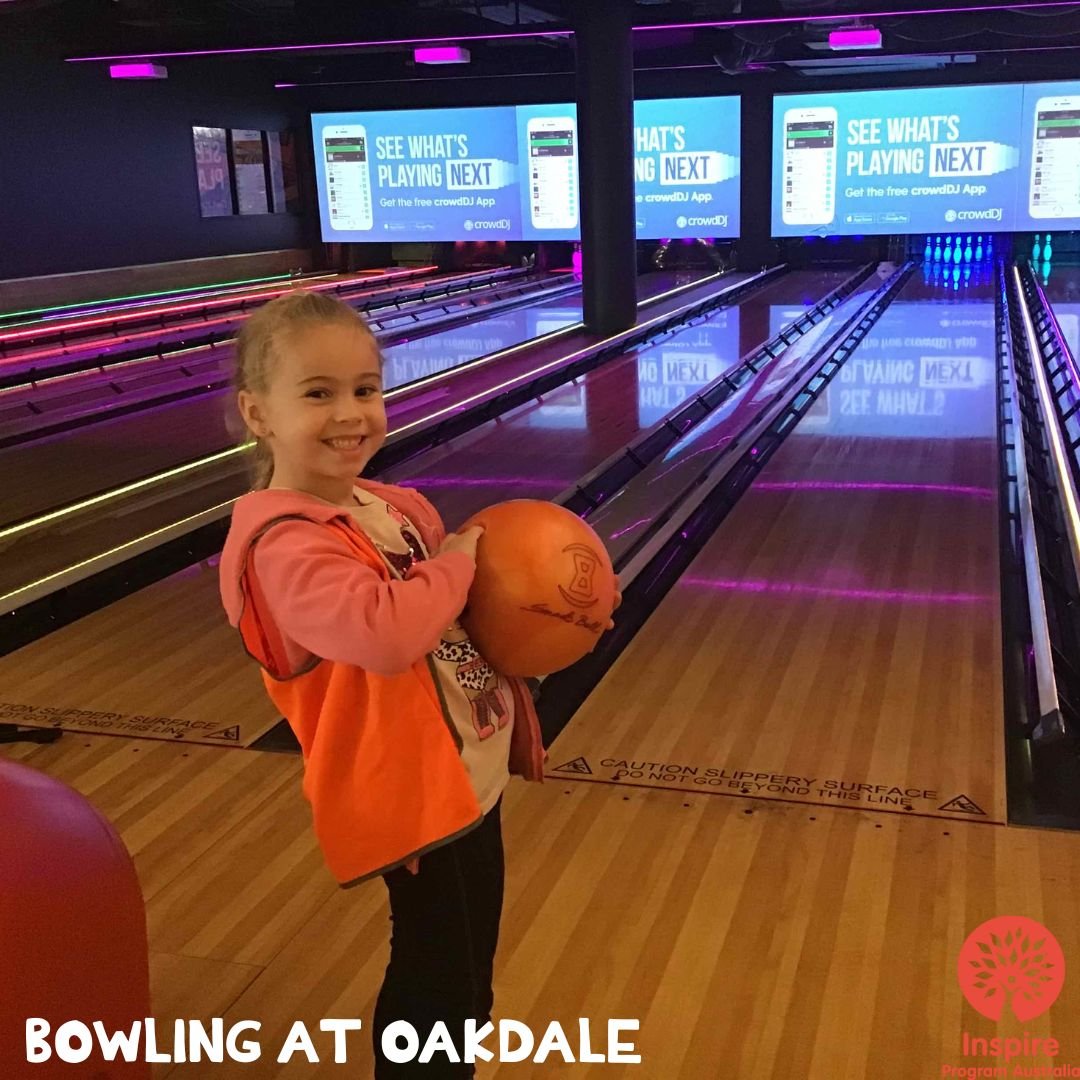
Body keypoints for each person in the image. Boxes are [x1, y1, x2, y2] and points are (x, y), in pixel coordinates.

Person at [217, 289, 555, 1077]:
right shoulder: (279, 543)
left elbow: (455, 620)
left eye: (366, 389)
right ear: (258, 413)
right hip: (405, 796)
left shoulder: (390, 506)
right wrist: (458, 562)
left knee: (470, 977)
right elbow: (384, 633)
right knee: (437, 977)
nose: (352, 412)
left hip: (466, 779)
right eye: (318, 393)